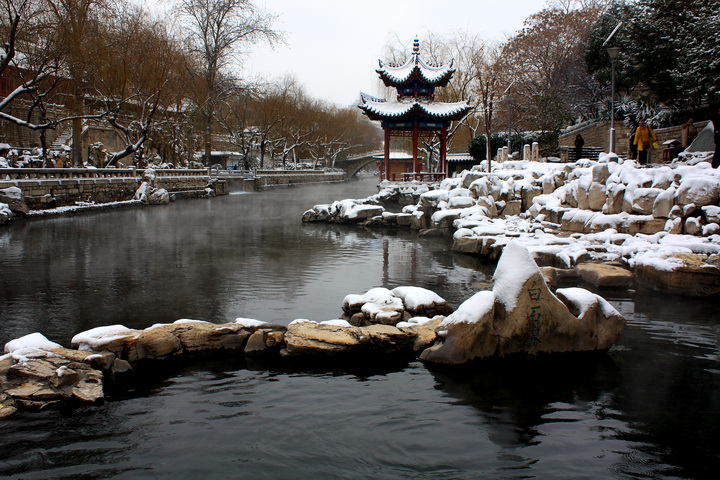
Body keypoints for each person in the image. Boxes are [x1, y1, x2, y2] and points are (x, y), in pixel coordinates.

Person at [711, 104, 720, 169]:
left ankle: (715, 164)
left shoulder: (715, 117)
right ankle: (715, 165)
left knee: (718, 151)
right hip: (719, 136)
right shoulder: (717, 118)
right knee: (718, 151)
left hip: (717, 136)